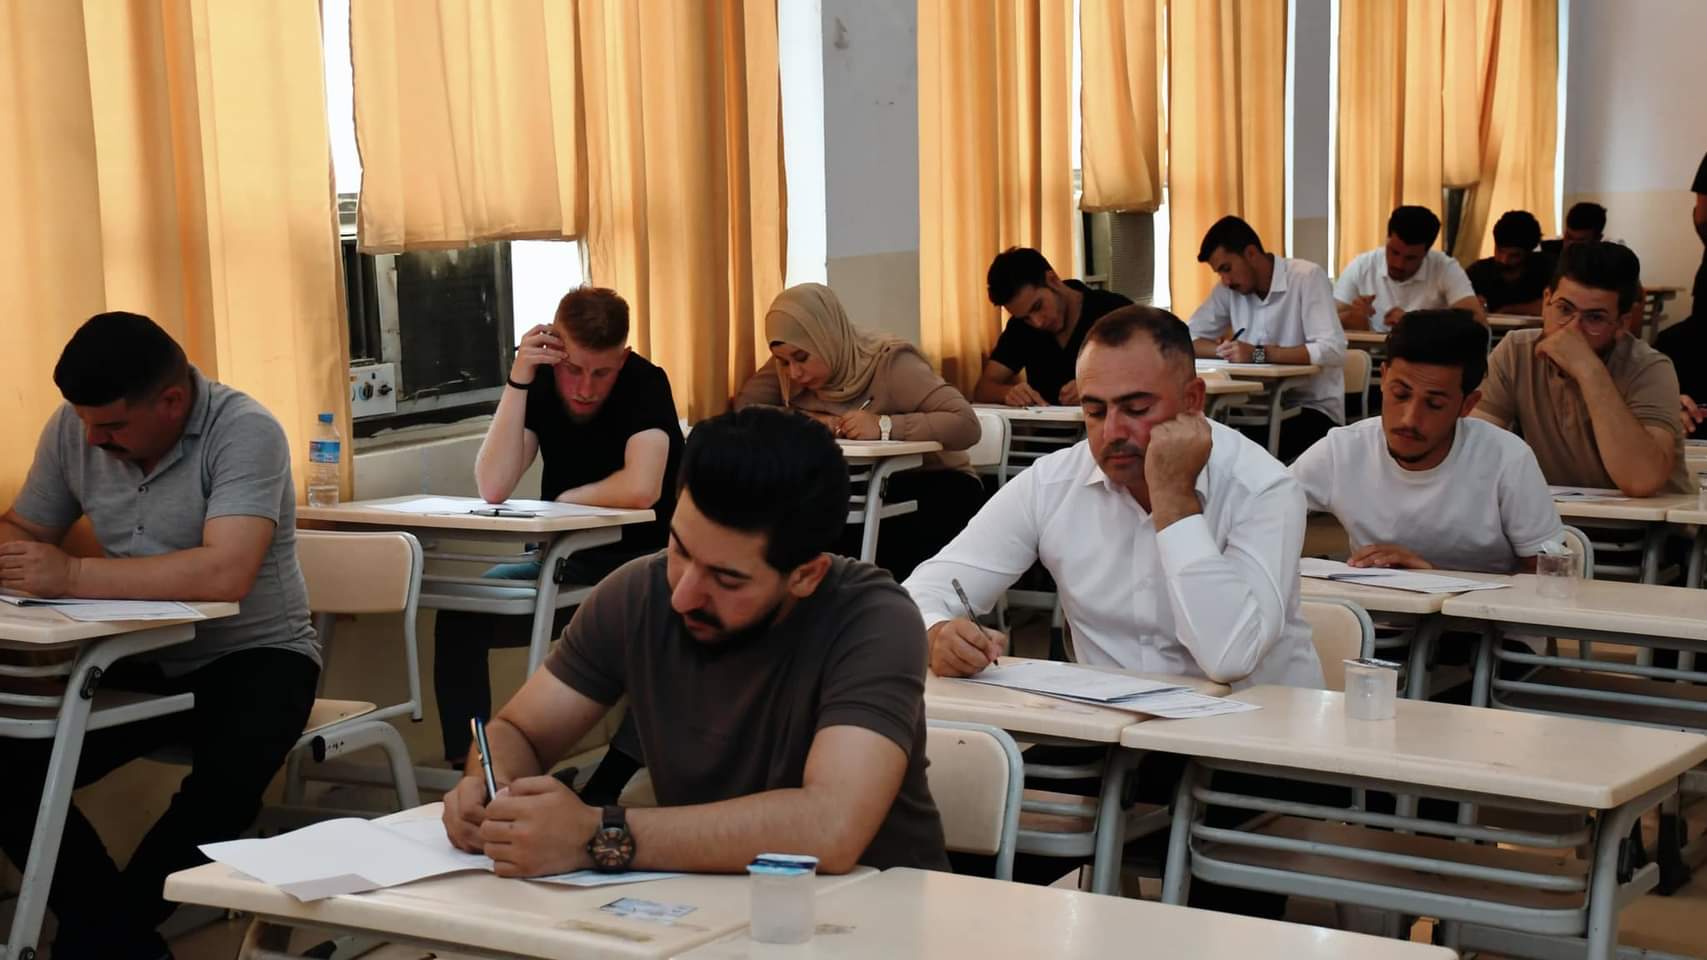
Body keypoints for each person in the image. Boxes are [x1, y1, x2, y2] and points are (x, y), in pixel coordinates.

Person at [904, 305, 1320, 910]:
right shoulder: (1054, 482)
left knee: (1220, 912)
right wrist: (937, 629)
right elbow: (927, 588)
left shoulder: (1264, 488)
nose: (1111, 433)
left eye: (1136, 408)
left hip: (1253, 745)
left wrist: (1174, 499)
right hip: (1109, 743)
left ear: (1193, 401)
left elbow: (1229, 657)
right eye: (1095, 411)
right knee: (963, 843)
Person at [439, 407, 949, 876]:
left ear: (805, 575)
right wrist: (489, 788)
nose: (683, 595)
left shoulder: (873, 620)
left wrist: (598, 834)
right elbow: (519, 732)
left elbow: (829, 828)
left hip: (871, 915)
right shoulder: (638, 594)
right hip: (706, 907)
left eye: (726, 579)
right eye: (680, 549)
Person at [0, 312, 319, 960]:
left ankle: (101, 942)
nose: (93, 439)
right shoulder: (76, 427)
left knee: (220, 796)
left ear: (171, 402)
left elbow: (226, 573)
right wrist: (17, 556)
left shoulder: (245, 430)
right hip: (139, 653)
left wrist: (72, 575)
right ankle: (117, 941)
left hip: (257, 654)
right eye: (84, 421)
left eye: (112, 426)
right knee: (10, 766)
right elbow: (25, 529)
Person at [433, 287, 684, 804]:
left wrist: (566, 500)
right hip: (562, 565)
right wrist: (519, 379)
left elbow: (641, 487)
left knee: (660, 645)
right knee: (462, 613)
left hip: (644, 564)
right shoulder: (541, 383)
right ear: (554, 349)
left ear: (623, 358)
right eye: (574, 370)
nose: (585, 388)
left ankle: (608, 782)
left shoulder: (645, 382)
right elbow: (494, 485)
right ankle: (474, 773)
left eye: (602, 373)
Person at [734, 283, 982, 580]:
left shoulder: (890, 363)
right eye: (783, 361)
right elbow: (747, 410)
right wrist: (810, 419)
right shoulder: (788, 366)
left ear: (826, 338)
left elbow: (966, 424)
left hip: (934, 485)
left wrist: (884, 426)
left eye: (801, 358)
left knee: (846, 548)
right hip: (859, 488)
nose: (794, 372)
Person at [1292, 309, 1564, 574]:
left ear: (1467, 405)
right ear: (1383, 378)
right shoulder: (1343, 450)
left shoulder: (1507, 459)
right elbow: (1267, 504)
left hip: (1483, 606)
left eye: (1434, 404)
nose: (1410, 419)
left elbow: (1554, 576)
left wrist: (1433, 576)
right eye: (1400, 394)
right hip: (1373, 604)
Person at [1473, 242, 1690, 497]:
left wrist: (1588, 369)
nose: (1572, 330)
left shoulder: (1650, 368)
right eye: (1564, 309)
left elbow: (1641, 480)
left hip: (1650, 520)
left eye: (1595, 317)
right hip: (1556, 517)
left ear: (1622, 323)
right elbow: (1474, 456)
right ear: (1546, 301)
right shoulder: (1515, 352)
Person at [1187, 215, 1347, 462]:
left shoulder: (1306, 277)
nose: (1225, 281)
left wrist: (1258, 354)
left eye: (1227, 268)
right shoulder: (1228, 290)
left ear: (1251, 253)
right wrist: (1226, 351)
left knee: (1235, 456)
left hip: (1311, 409)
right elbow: (1188, 337)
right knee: (1203, 443)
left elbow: (1332, 349)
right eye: (1219, 273)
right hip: (1253, 409)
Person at [974, 246, 1133, 406]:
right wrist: (1007, 392)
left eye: (1037, 307)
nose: (1037, 322)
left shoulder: (1115, 311)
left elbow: (1146, 371)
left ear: (1053, 280)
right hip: (1047, 421)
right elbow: (983, 389)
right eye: (1026, 318)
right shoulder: (1021, 327)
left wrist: (1099, 386)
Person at [1335, 205, 1485, 332]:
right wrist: (1353, 317)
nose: (1398, 264)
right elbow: (1328, 320)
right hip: (1370, 356)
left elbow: (1478, 323)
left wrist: (1414, 323)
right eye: (1394, 252)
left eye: (1410, 258)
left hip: (1424, 356)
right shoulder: (1362, 266)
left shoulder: (1445, 268)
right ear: (1387, 239)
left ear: (1426, 252)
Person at [1466, 210, 1553, 316]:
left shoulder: (1547, 269)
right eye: (1500, 251)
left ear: (1529, 252)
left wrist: (1508, 310)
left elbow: (1554, 306)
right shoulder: (1478, 272)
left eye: (1514, 255)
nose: (1504, 260)